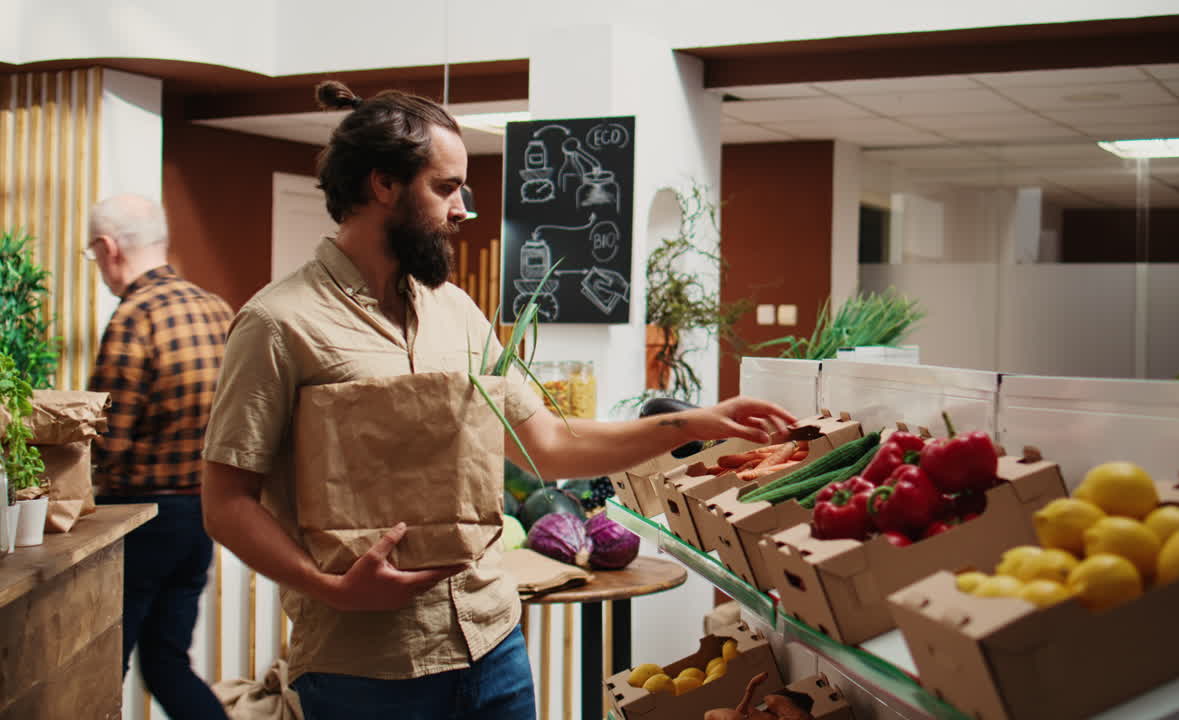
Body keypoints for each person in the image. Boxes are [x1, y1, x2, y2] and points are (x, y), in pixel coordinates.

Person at [200, 80, 796, 720]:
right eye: (446, 187)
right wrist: (332, 590)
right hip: (366, 669)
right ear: (383, 185)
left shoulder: (456, 312)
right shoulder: (278, 323)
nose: (463, 210)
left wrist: (692, 421)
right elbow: (226, 502)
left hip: (494, 647)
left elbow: (549, 443)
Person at [87, 193, 233, 720]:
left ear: (108, 249)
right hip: (206, 514)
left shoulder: (133, 318)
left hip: (141, 520)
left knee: (100, 669)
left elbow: (105, 439)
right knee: (167, 661)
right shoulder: (216, 308)